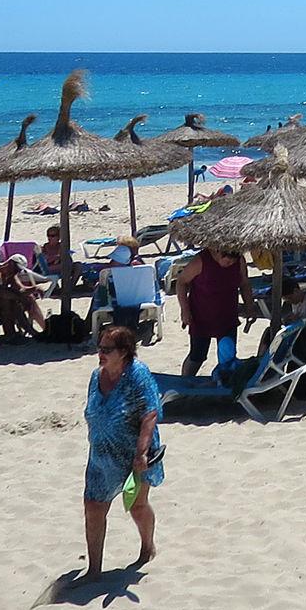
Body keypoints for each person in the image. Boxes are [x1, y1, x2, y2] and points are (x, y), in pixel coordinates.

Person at [80, 325, 161, 581]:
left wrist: (142, 452)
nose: (100, 353)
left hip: (134, 453)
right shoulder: (96, 376)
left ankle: (147, 547)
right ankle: (94, 569)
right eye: (99, 347)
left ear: (124, 352)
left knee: (137, 506)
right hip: (101, 456)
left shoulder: (138, 375)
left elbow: (149, 414)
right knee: (93, 507)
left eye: (107, 349)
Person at [176, 243, 256, 379]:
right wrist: (185, 310)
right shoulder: (201, 261)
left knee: (227, 355)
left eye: (232, 262)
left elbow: (244, 284)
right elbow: (181, 282)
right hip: (201, 316)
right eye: (227, 261)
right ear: (219, 252)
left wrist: (250, 307)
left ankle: (224, 387)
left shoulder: (239, 261)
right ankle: (185, 383)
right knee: (197, 356)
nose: (229, 264)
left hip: (227, 316)